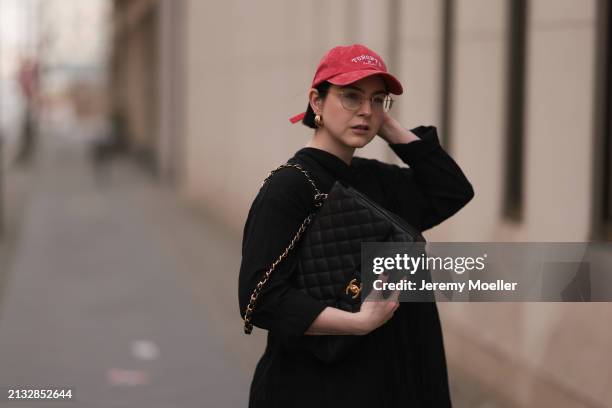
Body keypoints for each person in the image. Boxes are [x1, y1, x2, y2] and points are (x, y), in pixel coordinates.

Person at [238, 44, 474, 407]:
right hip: (321, 387)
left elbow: (452, 190)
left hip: (390, 376)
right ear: (316, 102)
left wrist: (388, 129)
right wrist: (359, 322)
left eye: (378, 99)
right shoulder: (290, 186)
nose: (366, 110)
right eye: (351, 97)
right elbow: (262, 298)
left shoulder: (375, 178)